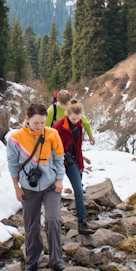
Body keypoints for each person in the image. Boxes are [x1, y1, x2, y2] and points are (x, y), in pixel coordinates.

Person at [7, 103, 67, 271]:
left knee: (52, 220)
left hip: (50, 186)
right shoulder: (15, 138)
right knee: (31, 225)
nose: (39, 126)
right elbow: (12, 164)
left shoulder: (52, 134)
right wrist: (16, 187)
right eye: (36, 123)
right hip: (28, 188)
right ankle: (32, 263)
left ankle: (56, 260)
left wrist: (59, 181)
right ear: (27, 119)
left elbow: (59, 159)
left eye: (42, 122)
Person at [53, 99, 94, 235]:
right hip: (57, 160)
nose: (76, 121)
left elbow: (78, 147)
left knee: (78, 189)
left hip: (71, 159)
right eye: (73, 118)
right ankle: (52, 222)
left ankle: (82, 221)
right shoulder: (59, 125)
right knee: (53, 191)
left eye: (78, 118)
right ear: (67, 115)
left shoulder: (79, 124)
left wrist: (80, 164)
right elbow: (50, 143)